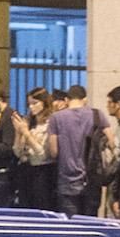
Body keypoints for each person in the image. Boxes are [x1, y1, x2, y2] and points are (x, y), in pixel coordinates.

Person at [44, 84, 102, 217]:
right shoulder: (97, 115)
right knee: (90, 226)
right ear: (85, 99)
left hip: (66, 181)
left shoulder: (56, 118)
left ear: (67, 99)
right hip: (91, 181)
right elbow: (111, 143)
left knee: (70, 224)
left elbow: (54, 152)